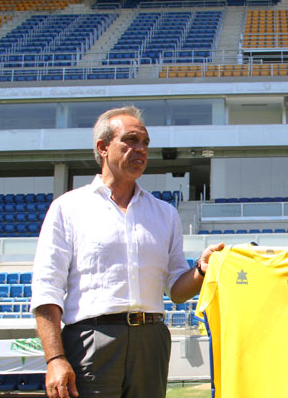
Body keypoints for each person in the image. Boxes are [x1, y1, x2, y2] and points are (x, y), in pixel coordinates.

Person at [30, 105, 223, 398]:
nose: (141, 149)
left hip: (151, 340)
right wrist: (55, 359)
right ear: (103, 147)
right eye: (131, 140)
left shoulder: (165, 213)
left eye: (145, 143)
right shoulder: (68, 208)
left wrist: (200, 269)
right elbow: (46, 290)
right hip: (91, 340)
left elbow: (176, 291)